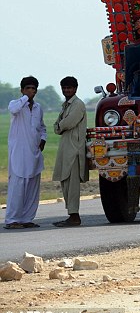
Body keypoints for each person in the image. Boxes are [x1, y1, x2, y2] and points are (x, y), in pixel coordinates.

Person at [4, 76, 46, 230]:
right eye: (28, 88)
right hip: (19, 154)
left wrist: (43, 139)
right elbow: (13, 109)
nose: (31, 91)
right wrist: (25, 98)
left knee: (32, 188)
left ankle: (27, 218)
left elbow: (42, 127)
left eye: (33, 88)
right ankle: (12, 219)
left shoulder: (38, 108)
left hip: (34, 153)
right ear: (22, 90)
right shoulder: (16, 105)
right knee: (18, 187)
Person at [52, 76, 88, 227]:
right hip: (66, 148)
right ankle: (71, 214)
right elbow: (56, 126)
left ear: (75, 89)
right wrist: (59, 126)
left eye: (69, 88)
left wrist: (59, 126)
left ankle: (74, 216)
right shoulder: (66, 105)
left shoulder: (77, 104)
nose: (67, 90)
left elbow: (66, 123)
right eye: (64, 88)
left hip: (74, 149)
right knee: (65, 182)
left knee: (72, 184)